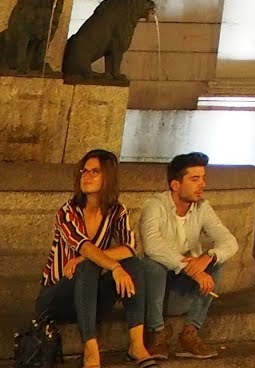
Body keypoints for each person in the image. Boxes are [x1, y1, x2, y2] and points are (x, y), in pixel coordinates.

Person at [35, 148, 158, 368]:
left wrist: (95, 262)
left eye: (94, 172)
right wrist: (112, 266)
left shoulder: (117, 211)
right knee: (88, 266)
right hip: (56, 299)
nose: (86, 176)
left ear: (108, 177)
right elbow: (85, 248)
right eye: (84, 171)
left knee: (132, 264)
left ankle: (137, 345)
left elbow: (130, 247)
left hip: (89, 297)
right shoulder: (67, 211)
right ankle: (91, 351)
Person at [138, 152, 239, 360]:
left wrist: (208, 257)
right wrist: (189, 268)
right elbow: (152, 245)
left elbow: (230, 242)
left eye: (203, 178)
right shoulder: (155, 205)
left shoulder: (202, 207)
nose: (202, 185)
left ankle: (190, 333)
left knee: (217, 260)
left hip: (185, 291)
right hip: (156, 292)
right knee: (152, 264)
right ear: (175, 185)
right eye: (195, 179)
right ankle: (156, 333)